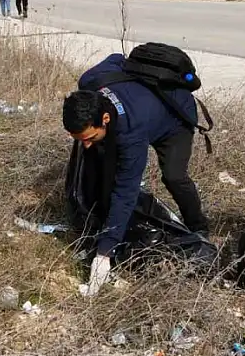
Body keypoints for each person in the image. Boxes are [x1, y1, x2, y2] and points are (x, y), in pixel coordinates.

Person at [64, 53, 209, 295]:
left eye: (89, 138)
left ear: (106, 119)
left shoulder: (130, 133)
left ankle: (199, 226)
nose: (85, 145)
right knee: (99, 162)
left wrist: (104, 253)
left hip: (174, 116)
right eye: (80, 139)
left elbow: (126, 192)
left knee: (173, 176)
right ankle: (97, 217)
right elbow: (117, 58)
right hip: (144, 108)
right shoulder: (90, 82)